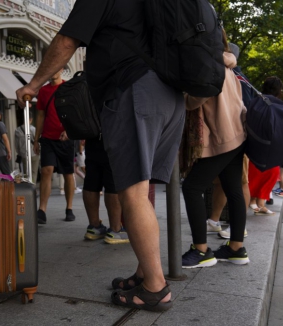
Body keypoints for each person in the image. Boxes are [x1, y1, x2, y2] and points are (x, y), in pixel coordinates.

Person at [16, 0, 185, 311]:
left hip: (135, 89)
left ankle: (156, 288)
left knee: (132, 192)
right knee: (144, 189)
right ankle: (145, 271)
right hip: (170, 95)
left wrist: (34, 83)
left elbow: (66, 40)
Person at [181, 31, 249, 270]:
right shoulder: (228, 64)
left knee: (191, 187)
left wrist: (183, 95)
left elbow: (193, 99)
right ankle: (236, 249)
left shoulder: (208, 65)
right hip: (237, 134)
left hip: (221, 137)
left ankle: (201, 251)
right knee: (234, 191)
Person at [32, 69, 77, 223]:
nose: (53, 71)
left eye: (56, 68)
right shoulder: (44, 91)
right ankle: (42, 210)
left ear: (62, 70)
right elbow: (40, 115)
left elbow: (75, 111)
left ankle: (69, 208)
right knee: (46, 170)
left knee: (67, 173)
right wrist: (36, 139)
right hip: (48, 138)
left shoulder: (68, 88)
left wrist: (69, 129)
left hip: (65, 138)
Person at [82, 138, 127, 244]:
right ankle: (116, 230)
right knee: (112, 181)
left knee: (91, 181)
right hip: (112, 136)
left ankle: (94, 227)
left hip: (92, 137)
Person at [14, 116, 39, 183]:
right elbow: (38, 141)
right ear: (31, 119)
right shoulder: (33, 129)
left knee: (26, 173)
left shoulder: (17, 130)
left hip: (24, 154)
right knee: (34, 172)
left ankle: (27, 187)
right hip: (34, 153)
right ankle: (32, 187)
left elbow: (16, 145)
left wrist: (19, 153)